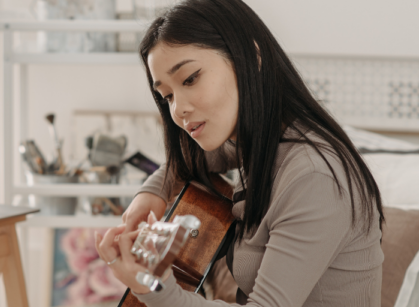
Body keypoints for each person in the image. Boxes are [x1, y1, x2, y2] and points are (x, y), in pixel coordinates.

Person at [94, 0, 385, 306]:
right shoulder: (261, 144)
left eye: (190, 78)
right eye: (166, 95)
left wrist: (153, 286)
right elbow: (186, 165)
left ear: (252, 57)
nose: (178, 109)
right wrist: (150, 194)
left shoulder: (314, 177)